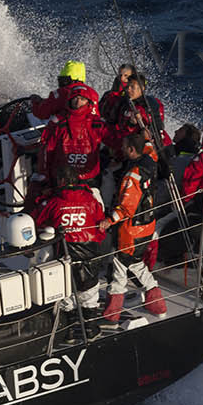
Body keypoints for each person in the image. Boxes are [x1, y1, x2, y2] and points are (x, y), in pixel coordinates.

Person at [97, 129, 168, 323]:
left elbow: (127, 206)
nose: (120, 149)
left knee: (119, 269)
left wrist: (108, 221)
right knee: (136, 262)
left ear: (130, 150)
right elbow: (150, 148)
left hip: (130, 230)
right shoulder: (150, 161)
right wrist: (145, 136)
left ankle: (112, 313)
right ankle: (156, 302)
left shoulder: (132, 175)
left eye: (123, 147)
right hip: (147, 226)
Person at [32, 165, 107, 315]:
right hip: (90, 255)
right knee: (90, 295)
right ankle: (90, 327)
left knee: (66, 293)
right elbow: (100, 225)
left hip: (66, 256)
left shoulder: (54, 201)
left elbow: (38, 220)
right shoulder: (91, 199)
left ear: (61, 181)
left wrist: (43, 197)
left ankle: (70, 329)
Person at [39, 87, 107, 186]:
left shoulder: (97, 123)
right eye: (75, 98)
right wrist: (45, 175)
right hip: (62, 178)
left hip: (89, 179)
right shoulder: (57, 122)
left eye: (82, 99)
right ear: (69, 100)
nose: (78, 102)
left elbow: (114, 141)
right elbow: (47, 149)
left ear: (89, 102)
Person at [103, 72, 171, 152]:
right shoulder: (122, 102)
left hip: (148, 147)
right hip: (124, 145)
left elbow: (157, 126)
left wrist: (138, 123)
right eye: (127, 86)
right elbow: (113, 122)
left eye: (132, 87)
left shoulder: (149, 104)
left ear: (142, 88)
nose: (128, 89)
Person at [31, 60, 97, 120]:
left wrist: (36, 103)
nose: (62, 84)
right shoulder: (93, 93)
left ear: (72, 80)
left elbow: (42, 114)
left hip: (71, 131)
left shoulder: (61, 92)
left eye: (65, 80)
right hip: (94, 131)